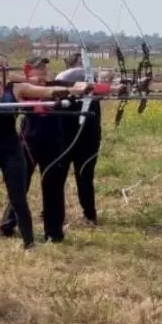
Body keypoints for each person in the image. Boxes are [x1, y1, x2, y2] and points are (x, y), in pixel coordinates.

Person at [0, 56, 91, 243]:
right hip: (29, 143)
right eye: (37, 69)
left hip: (54, 142)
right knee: (19, 186)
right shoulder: (22, 87)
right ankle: (8, 225)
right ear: (27, 71)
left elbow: (69, 89)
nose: (42, 72)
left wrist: (84, 88)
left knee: (54, 187)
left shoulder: (54, 85)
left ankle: (54, 232)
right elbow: (14, 85)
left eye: (44, 69)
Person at [56, 52, 105, 226]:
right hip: (64, 137)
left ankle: (90, 215)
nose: (84, 69)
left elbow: (107, 89)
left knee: (85, 175)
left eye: (85, 65)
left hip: (89, 137)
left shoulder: (95, 85)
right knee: (57, 177)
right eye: (79, 64)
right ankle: (54, 214)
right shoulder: (61, 85)